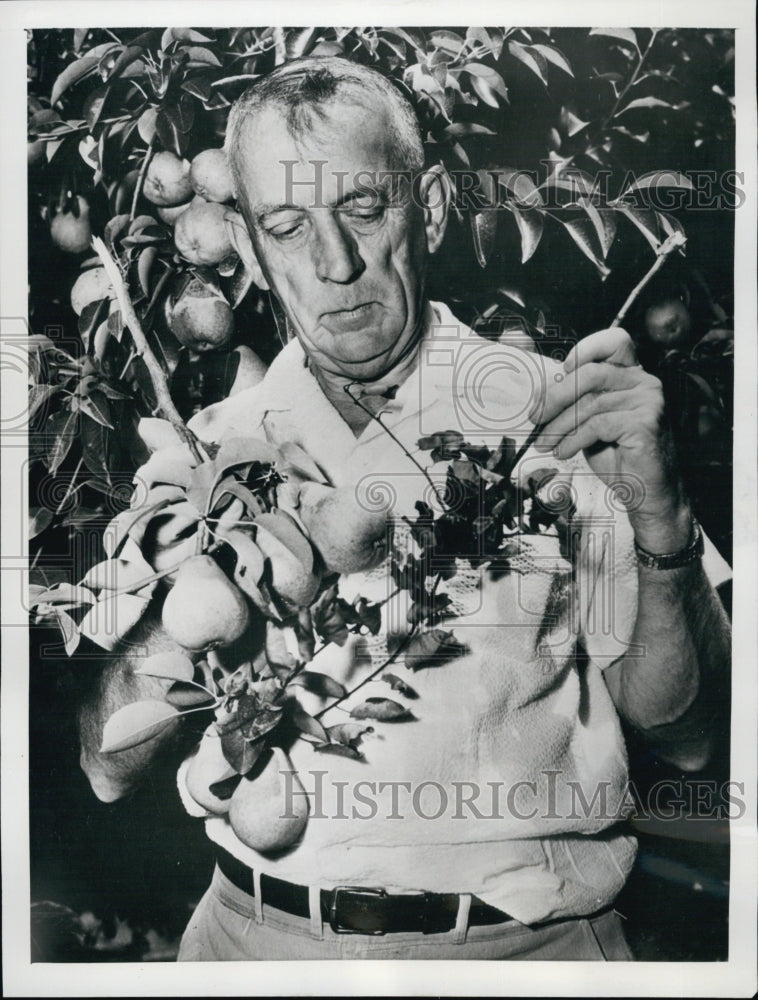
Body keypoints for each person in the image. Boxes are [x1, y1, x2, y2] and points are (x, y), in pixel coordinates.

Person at [78, 57, 731, 961]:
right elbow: (106, 772)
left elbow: (692, 739)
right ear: (250, 246)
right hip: (250, 945)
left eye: (363, 209)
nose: (336, 265)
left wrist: (662, 520)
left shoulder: (563, 414)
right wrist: (191, 601)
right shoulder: (207, 453)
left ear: (424, 205)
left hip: (525, 953)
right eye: (288, 226)